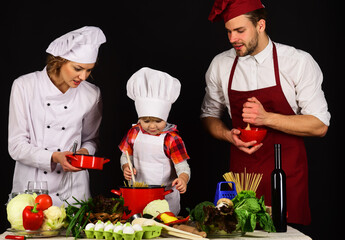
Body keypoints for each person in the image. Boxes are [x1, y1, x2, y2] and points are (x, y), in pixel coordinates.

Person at [201, 0, 330, 225]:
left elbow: (319, 125)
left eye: (240, 31)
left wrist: (266, 118)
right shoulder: (220, 64)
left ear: (261, 25)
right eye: (229, 32)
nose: (233, 39)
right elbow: (209, 116)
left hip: (286, 175)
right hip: (241, 179)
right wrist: (227, 135)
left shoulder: (297, 62)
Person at [8, 26, 106, 207]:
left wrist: (84, 154)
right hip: (32, 190)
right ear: (59, 61)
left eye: (89, 70)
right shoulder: (25, 86)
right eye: (78, 68)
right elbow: (16, 146)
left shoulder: (92, 94)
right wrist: (55, 157)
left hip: (74, 193)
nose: (83, 77)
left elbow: (91, 140)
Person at [119, 67, 191, 215]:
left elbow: (183, 167)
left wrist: (183, 179)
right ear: (139, 119)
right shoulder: (134, 132)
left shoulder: (172, 139)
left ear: (165, 118)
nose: (152, 126)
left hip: (164, 198)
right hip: (137, 194)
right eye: (146, 121)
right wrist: (126, 166)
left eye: (158, 121)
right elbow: (125, 155)